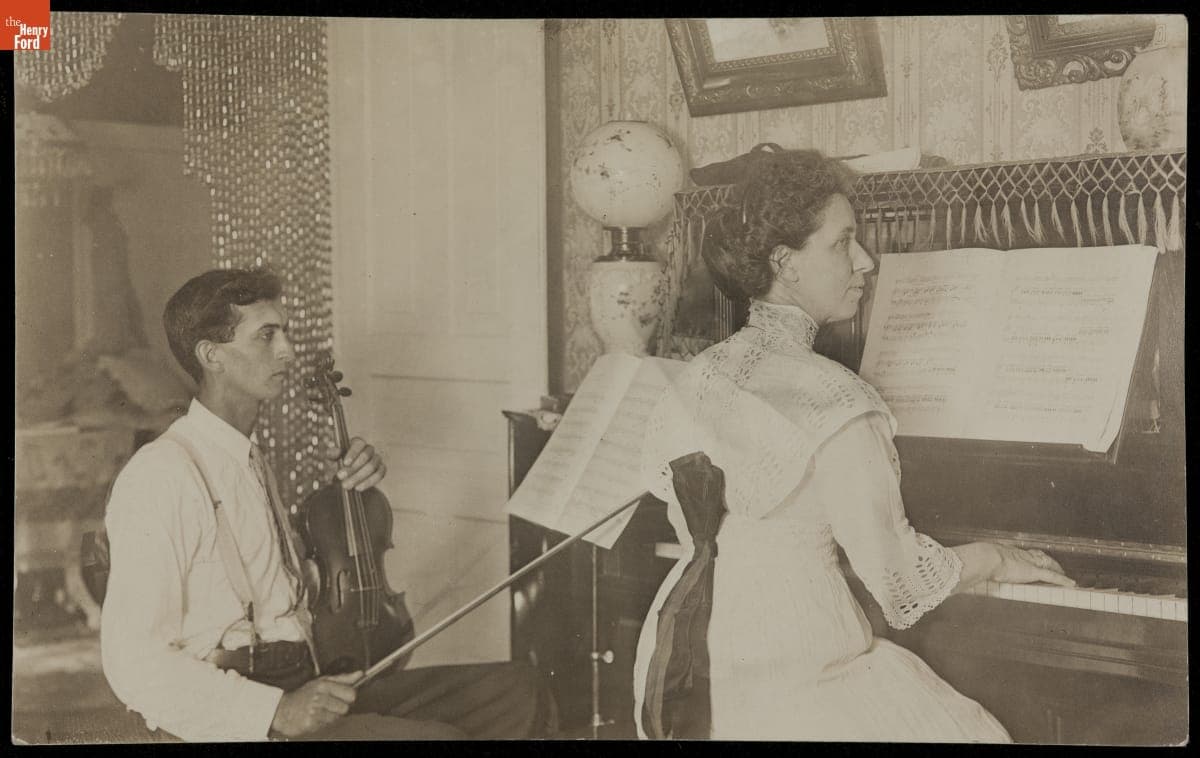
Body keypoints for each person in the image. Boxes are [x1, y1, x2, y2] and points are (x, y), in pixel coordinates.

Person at [632, 151, 1075, 741]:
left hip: (687, 665)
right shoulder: (837, 399)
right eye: (843, 243)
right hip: (801, 676)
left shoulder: (697, 376)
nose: (866, 260)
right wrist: (997, 557)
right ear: (785, 263)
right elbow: (902, 584)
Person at [101, 268, 555, 742]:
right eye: (266, 336)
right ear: (211, 355)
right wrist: (277, 711)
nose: (288, 351)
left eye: (285, 332)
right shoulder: (161, 475)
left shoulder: (250, 460)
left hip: (304, 678)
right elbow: (133, 662)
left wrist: (351, 496)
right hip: (242, 712)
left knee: (518, 691)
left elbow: (281, 588)